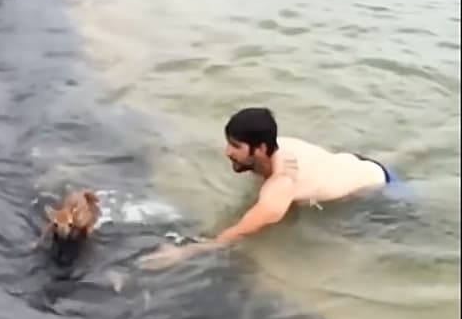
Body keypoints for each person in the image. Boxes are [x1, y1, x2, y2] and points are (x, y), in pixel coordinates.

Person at [138, 106, 402, 270]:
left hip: (379, 187)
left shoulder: (281, 186)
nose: (226, 151)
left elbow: (236, 234)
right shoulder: (276, 145)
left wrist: (183, 253)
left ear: (261, 148)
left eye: (236, 146)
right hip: (354, 164)